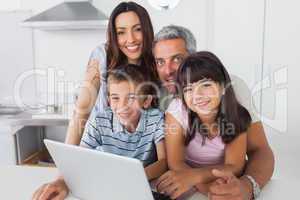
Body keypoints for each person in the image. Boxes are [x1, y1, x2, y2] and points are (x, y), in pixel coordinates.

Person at [32, 2, 157, 200]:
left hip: (145, 171)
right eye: (121, 32)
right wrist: (63, 179)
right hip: (102, 164)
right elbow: (81, 113)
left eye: (137, 29)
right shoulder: (102, 56)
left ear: (147, 30)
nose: (130, 39)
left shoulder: (157, 59)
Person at [152, 25, 274, 200]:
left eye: (177, 59)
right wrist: (206, 187)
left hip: (218, 180)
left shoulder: (234, 99)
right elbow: (175, 161)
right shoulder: (166, 102)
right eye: (160, 61)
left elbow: (254, 153)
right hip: (181, 182)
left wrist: (246, 186)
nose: (168, 70)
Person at [156, 51, 252, 199]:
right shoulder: (177, 111)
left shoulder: (237, 114)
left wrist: (196, 177)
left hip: (219, 176)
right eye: (188, 89)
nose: (197, 95)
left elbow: (235, 166)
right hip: (186, 174)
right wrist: (205, 187)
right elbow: (176, 162)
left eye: (206, 85)